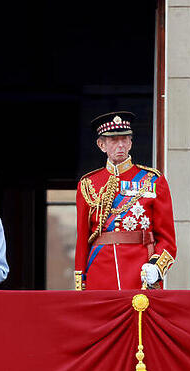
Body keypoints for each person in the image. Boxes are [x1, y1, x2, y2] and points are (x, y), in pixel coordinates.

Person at [74, 111, 176, 290]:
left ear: (131, 142)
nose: (120, 145)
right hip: (99, 273)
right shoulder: (88, 184)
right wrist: (81, 280)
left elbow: (168, 239)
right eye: (113, 140)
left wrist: (157, 268)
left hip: (140, 271)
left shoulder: (153, 180)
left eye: (125, 139)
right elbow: (83, 239)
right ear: (101, 145)